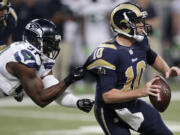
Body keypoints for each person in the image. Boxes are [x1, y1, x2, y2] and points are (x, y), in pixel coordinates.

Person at [84, 2, 180, 135]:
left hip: (131, 104)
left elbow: (152, 57)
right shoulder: (108, 53)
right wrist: (141, 91)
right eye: (137, 22)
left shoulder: (141, 41)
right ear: (123, 25)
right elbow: (107, 96)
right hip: (110, 111)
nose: (142, 25)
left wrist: (167, 70)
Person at [0, 18, 94, 113]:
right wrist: (70, 79)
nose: (53, 46)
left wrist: (77, 102)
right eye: (48, 42)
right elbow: (41, 99)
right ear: (34, 40)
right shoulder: (24, 59)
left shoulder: (39, 55)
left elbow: (54, 90)